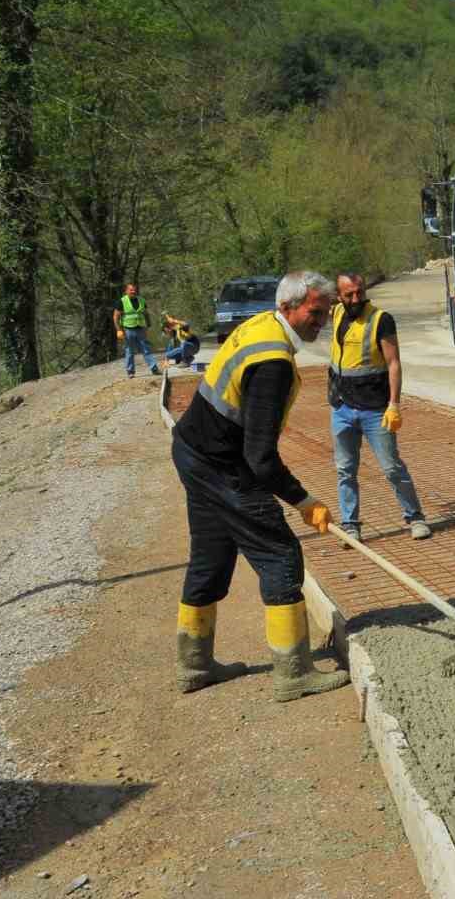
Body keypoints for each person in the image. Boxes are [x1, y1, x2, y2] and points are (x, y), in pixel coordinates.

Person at [170, 270, 350, 701]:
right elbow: (261, 459)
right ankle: (294, 674)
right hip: (222, 464)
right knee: (280, 554)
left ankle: (193, 665)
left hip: (194, 451)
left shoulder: (260, 324)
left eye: (326, 313)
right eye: (315, 311)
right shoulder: (273, 363)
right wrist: (305, 500)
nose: (321, 321)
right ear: (288, 306)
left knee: (210, 557)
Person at [328, 272, 432, 542]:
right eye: (349, 294)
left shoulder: (380, 319)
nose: (356, 298)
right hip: (341, 407)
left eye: (359, 292)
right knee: (345, 469)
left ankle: (415, 517)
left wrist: (394, 404)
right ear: (339, 296)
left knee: (391, 468)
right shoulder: (337, 312)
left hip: (375, 409)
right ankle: (350, 525)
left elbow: (394, 363)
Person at [113, 282, 160, 377]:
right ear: (126, 291)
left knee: (146, 349)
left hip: (141, 328)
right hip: (128, 329)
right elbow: (115, 317)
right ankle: (130, 371)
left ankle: (154, 368)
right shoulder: (122, 301)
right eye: (131, 290)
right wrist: (118, 330)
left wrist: (149, 325)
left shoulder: (142, 300)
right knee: (129, 351)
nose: (133, 291)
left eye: (134, 290)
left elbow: (146, 314)